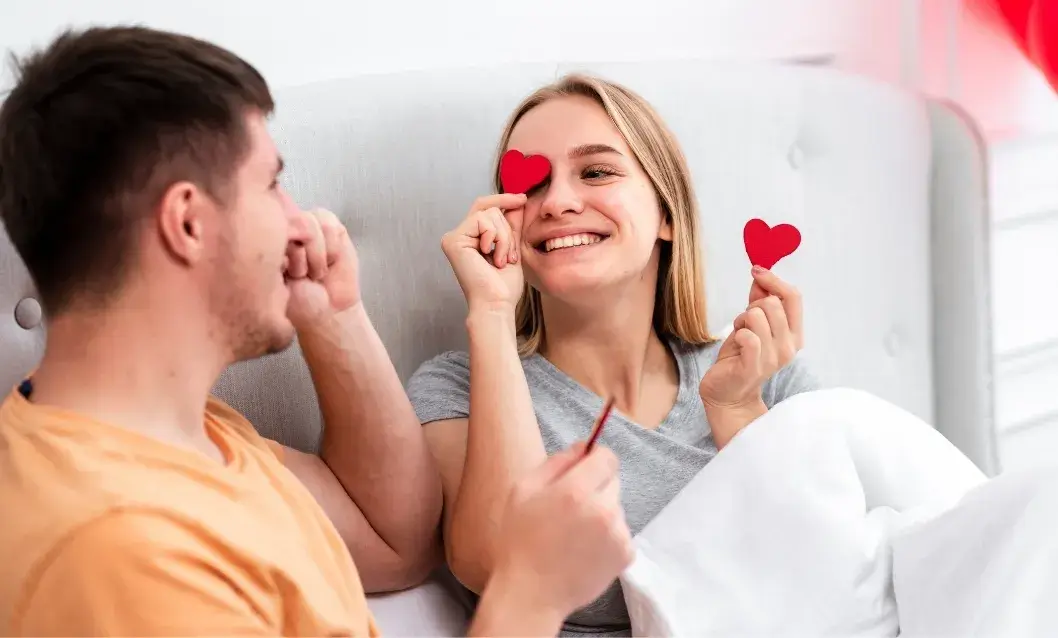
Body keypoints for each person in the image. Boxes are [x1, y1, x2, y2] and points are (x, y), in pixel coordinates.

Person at [0, 26, 633, 636]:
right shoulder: (118, 550)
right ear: (188, 224)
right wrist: (531, 595)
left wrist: (332, 313)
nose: (301, 223)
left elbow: (395, 540)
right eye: (272, 185)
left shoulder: (183, 434)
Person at [408, 73, 823, 636]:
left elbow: (824, 572)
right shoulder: (459, 387)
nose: (555, 202)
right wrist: (491, 314)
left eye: (596, 171)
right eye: (530, 184)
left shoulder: (767, 378)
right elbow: (496, 564)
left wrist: (739, 414)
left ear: (667, 214)